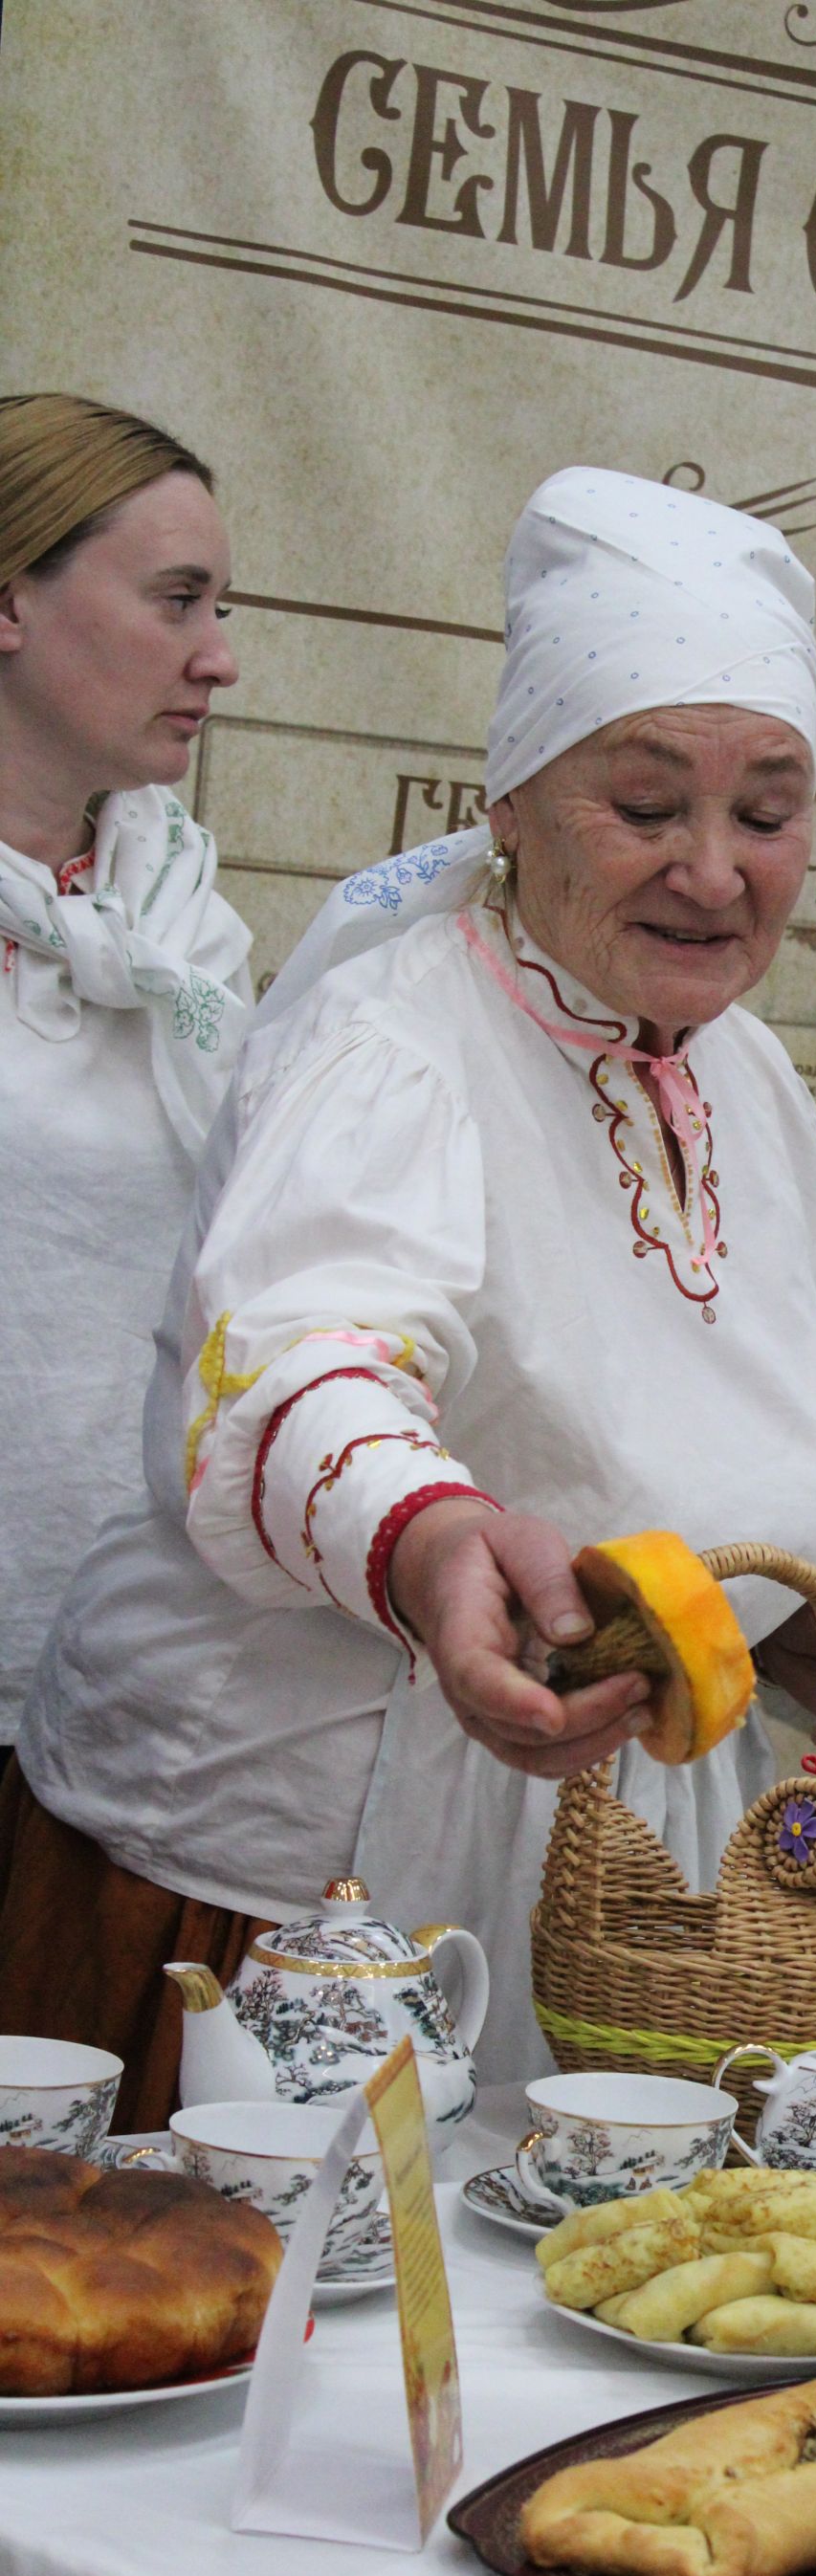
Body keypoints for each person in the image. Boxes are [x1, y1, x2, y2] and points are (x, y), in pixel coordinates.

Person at [2, 467, 816, 2123]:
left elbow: (676, 1412)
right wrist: (439, 1544)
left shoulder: (751, 1085)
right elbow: (307, 1354)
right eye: (646, 808)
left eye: (768, 813)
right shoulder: (397, 1040)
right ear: (508, 802)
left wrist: (784, 1613)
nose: (715, 874)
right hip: (300, 1887)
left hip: (613, 1868)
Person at [0, 394, 246, 1758]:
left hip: (120, 1685)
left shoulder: (183, 927)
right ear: (10, 605)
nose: (217, 660)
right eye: (177, 601)